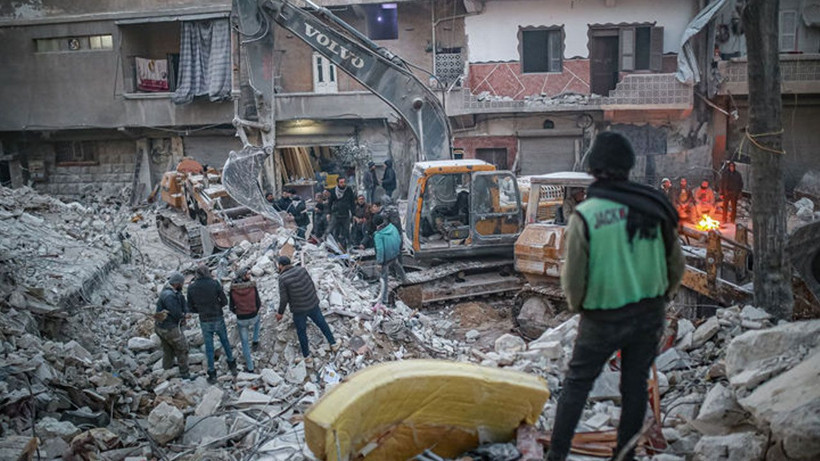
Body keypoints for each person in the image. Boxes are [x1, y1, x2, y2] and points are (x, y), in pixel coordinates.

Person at [547, 132, 685, 461]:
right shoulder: (654, 207)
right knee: (634, 387)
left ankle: (557, 455)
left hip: (602, 317)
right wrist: (660, 298)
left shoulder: (586, 214)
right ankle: (624, 456)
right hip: (649, 314)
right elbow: (676, 265)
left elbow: (574, 276)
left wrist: (581, 307)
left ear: (593, 167)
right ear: (628, 166)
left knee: (577, 385)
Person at [275, 256, 339, 365]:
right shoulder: (302, 270)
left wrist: (280, 313)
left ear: (280, 265)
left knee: (301, 332)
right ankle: (333, 344)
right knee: (322, 323)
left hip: (299, 309)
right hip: (312, 304)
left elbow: (284, 298)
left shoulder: (282, 278)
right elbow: (311, 284)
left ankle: (307, 356)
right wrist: (313, 298)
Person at [187, 264, 238, 383]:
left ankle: (212, 373)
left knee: (209, 347)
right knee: (225, 341)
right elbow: (224, 301)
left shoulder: (191, 288)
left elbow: (190, 307)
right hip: (217, 316)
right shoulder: (215, 284)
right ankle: (232, 366)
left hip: (204, 319)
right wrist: (217, 307)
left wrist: (200, 310)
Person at [154, 272, 191, 379]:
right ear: (177, 283)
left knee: (168, 350)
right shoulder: (170, 296)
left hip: (160, 327)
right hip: (169, 328)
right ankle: (184, 374)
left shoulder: (167, 292)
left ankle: (167, 372)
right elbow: (176, 313)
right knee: (182, 349)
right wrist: (184, 316)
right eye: (182, 284)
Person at [229, 268, 261, 372]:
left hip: (241, 319)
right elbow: (258, 303)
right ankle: (256, 340)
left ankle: (250, 367)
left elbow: (231, 307)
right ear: (243, 276)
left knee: (245, 342)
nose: (249, 275)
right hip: (253, 315)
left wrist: (239, 312)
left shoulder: (233, 289)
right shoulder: (252, 286)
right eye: (247, 274)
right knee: (257, 321)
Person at [373, 215, 406, 309]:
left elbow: (380, 249)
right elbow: (399, 239)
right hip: (394, 254)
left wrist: (379, 262)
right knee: (398, 266)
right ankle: (405, 280)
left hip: (385, 259)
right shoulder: (392, 227)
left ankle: (384, 300)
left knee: (384, 280)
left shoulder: (378, 235)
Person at [327, 177, 355, 248]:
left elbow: (352, 202)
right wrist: (328, 213)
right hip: (336, 214)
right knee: (334, 229)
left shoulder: (348, 190)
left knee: (346, 230)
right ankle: (334, 244)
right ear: (338, 183)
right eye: (341, 182)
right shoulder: (333, 191)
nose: (343, 184)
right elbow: (330, 203)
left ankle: (349, 245)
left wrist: (353, 214)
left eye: (344, 182)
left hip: (345, 214)